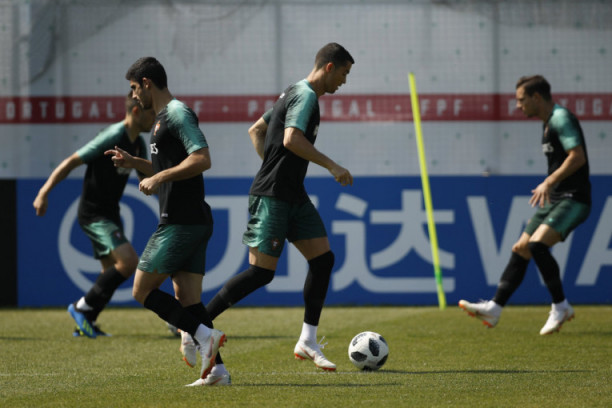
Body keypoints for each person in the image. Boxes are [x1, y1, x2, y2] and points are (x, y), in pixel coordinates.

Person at [190, 42, 354, 382]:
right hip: (274, 196)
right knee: (260, 273)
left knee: (323, 260)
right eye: (344, 73)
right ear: (329, 67)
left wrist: (274, 165)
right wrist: (332, 165)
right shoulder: (305, 96)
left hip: (293, 194)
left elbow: (257, 130)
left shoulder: (292, 91)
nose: (344, 81)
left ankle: (307, 341)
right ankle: (194, 326)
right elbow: (291, 139)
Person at [110, 56, 225, 386]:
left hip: (180, 221)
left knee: (141, 290)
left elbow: (202, 158)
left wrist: (158, 178)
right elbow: (168, 167)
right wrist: (137, 163)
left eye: (135, 88)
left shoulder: (177, 113)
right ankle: (217, 372)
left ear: (147, 83)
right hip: (191, 219)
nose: (134, 96)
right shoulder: (161, 121)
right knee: (188, 300)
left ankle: (205, 335)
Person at [459, 75, 591, 335]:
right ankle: (495, 308)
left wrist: (548, 181)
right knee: (521, 248)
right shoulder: (548, 123)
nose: (518, 106)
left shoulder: (561, 119)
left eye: (521, 100)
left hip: (574, 198)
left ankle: (561, 306)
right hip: (556, 199)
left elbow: (578, 157)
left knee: (537, 245)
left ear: (536, 97)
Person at [33, 92, 155, 338]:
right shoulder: (113, 136)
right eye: (151, 112)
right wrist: (44, 192)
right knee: (128, 262)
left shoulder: (138, 145)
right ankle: (81, 307)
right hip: (94, 213)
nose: (154, 117)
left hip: (111, 212)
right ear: (136, 112)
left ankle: (87, 321)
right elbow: (72, 161)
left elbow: (148, 182)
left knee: (109, 271)